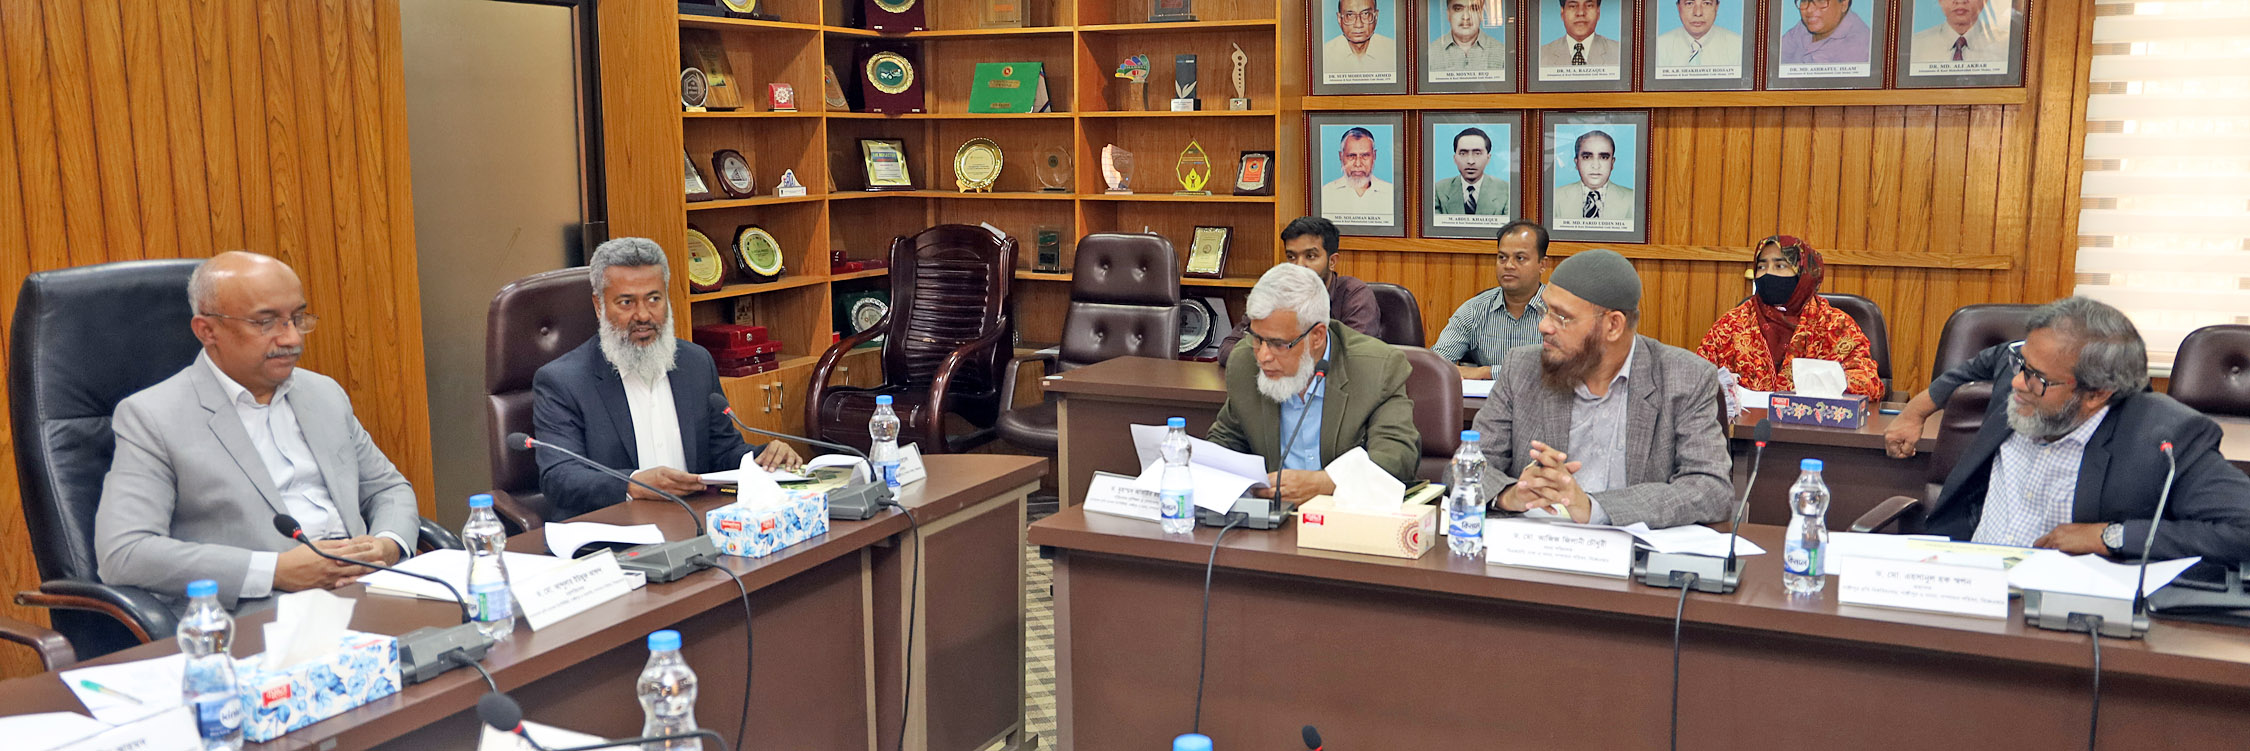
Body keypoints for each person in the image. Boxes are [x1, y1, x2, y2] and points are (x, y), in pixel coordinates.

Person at [95, 252, 420, 611]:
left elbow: (388, 489)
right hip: (261, 610)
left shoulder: (323, 393)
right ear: (207, 331)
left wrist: (386, 545)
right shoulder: (152, 417)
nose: (291, 338)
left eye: (297, 318)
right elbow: (124, 552)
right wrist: (274, 571)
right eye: (266, 323)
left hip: (367, 590)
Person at [1880, 297, 2250, 564]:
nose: (2017, 383)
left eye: (2037, 379)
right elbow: (1978, 364)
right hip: (1969, 574)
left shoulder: (2164, 437)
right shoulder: (2025, 367)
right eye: (2021, 365)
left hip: (2065, 608)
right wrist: (1915, 412)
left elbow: (2244, 528)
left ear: (2097, 393)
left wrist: (2111, 536)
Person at [532, 238, 802, 519]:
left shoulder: (695, 364)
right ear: (599, 306)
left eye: (654, 299)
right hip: (615, 530)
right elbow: (560, 477)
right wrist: (633, 485)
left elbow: (723, 452)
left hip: (693, 522)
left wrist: (762, 458)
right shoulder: (563, 382)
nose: (643, 315)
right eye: (626, 302)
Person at [1471, 249, 1733, 528]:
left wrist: (1593, 508)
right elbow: (1468, 465)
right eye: (1546, 310)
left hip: (1631, 548)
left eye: (1562, 317)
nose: (1544, 326)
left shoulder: (1684, 378)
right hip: (1537, 544)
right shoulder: (1523, 368)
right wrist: (1509, 495)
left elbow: (1711, 488)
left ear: (1613, 325)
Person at [1208, 264, 1420, 501]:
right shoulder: (1244, 362)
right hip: (1273, 514)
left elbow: (1397, 458)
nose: (1263, 356)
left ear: (1317, 336)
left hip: (1344, 514)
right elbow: (1225, 441)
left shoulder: (1377, 368)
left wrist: (1326, 484)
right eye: (1257, 339)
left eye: (1278, 344)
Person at [1693, 236, 1884, 400]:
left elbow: (1869, 383)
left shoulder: (1835, 325)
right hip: (1745, 428)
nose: (1768, 273)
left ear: (1804, 274)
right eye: (1761, 266)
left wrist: (1821, 381)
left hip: (1815, 428)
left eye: (1780, 265)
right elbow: (1697, 380)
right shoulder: (1731, 324)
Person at [1218, 218, 1383, 360]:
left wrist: (1278, 355)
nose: (1299, 266)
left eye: (1310, 256)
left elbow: (1353, 356)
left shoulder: (1354, 295)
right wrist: (1271, 357)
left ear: (1332, 261)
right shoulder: (1275, 294)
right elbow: (1227, 349)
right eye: (1291, 257)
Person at [1433, 221, 1550, 378]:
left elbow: (1565, 369)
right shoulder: (1474, 310)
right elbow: (1437, 365)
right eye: (1502, 257)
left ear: (1542, 264)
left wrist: (1485, 372)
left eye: (1520, 258)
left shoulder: (1560, 312)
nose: (1508, 265)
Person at [1551, 130, 1634, 222]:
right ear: (1576, 162)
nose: (1595, 166)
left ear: (1612, 163)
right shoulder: (1555, 197)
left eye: (1604, 157)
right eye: (1587, 157)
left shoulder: (1632, 199)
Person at [1433, 128, 1511, 217]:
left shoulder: (1506, 191)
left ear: (1488, 158)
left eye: (1477, 153)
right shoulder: (1438, 190)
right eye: (1463, 153)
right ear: (1455, 158)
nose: (1470, 161)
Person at [1319, 127, 1395, 219]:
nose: (1358, 164)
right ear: (1341, 156)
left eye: (1365, 155)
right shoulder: (1326, 194)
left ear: (1374, 155)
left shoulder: (1391, 193)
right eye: (1351, 156)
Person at [1909, 0, 2012, 64]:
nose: (1960, 1)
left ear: (1985, 1)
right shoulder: (1915, 46)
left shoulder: (2007, 46)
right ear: (1939, 1)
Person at [1652, 0, 1743, 68]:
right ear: (1678, 7)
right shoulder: (1659, 47)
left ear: (1716, 7)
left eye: (1706, 3)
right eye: (1689, 3)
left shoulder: (1738, 47)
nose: (1698, 13)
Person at [1779, 0, 1872, 65]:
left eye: (1820, 0)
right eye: (1804, 0)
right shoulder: (1804, 26)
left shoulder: (1860, 49)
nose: (1809, 9)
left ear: (1844, 4)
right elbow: (1775, 60)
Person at [1429, 0, 1507, 73]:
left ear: (1481, 14)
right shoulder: (1431, 53)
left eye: (1473, 9)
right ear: (1448, 14)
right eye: (1458, 9)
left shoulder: (1502, 52)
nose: (1466, 17)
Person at [1325, 0, 1398, 77]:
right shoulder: (1325, 55)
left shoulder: (1394, 51)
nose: (1358, 24)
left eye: (1365, 14)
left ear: (1376, 16)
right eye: (1350, 15)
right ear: (1339, 19)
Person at [1537, 0, 1621, 67]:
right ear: (1562, 12)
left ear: (1598, 12)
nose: (1581, 13)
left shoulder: (1619, 53)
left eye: (1589, 5)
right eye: (1573, 6)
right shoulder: (1541, 55)